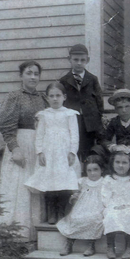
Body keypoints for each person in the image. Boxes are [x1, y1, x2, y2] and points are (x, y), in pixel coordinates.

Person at [0, 60, 49, 241]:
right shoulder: (14, 97)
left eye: (36, 73)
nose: (33, 77)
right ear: (21, 76)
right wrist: (14, 148)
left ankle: (33, 235)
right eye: (29, 73)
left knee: (34, 186)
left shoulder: (43, 99)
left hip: (38, 148)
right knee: (18, 188)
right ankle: (13, 234)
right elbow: (6, 124)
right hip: (20, 145)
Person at [24, 82, 80, 225]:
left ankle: (61, 211)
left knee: (63, 181)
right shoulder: (44, 115)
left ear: (64, 97)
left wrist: (72, 152)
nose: (55, 99)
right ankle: (51, 212)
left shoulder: (69, 114)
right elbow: (40, 135)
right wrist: (40, 152)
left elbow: (74, 135)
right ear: (47, 98)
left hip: (64, 153)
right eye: (52, 96)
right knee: (49, 182)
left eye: (58, 95)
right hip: (49, 153)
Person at [60, 44, 104, 162]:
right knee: (73, 153)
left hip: (89, 125)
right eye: (75, 59)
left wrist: (97, 120)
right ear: (69, 59)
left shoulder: (92, 79)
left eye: (82, 60)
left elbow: (99, 102)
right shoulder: (64, 81)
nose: (79, 63)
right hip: (72, 123)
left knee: (88, 154)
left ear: (87, 60)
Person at [57, 155, 105, 257]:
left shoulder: (104, 182)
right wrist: (74, 197)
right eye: (89, 170)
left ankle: (91, 244)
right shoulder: (83, 181)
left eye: (96, 169)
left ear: (102, 169)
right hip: (82, 206)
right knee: (75, 218)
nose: (92, 173)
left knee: (95, 218)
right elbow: (77, 193)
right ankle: (69, 243)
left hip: (98, 206)